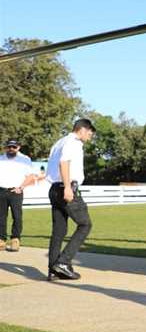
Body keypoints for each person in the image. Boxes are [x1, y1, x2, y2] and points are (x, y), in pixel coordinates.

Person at [45, 118, 96, 280]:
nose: (90, 136)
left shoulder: (59, 142)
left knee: (59, 231)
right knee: (85, 224)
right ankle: (64, 262)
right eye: (90, 133)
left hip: (54, 189)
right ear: (82, 130)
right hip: (66, 188)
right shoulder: (73, 143)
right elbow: (64, 163)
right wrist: (67, 187)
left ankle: (53, 270)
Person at [0, 139, 37, 252]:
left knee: (17, 216)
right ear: (6, 147)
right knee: (1, 217)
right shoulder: (1, 158)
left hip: (16, 191)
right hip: (1, 190)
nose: (11, 149)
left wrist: (21, 188)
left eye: (14, 147)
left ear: (18, 147)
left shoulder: (25, 159)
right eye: (9, 147)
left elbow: (30, 176)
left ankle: (15, 239)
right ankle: (1, 239)